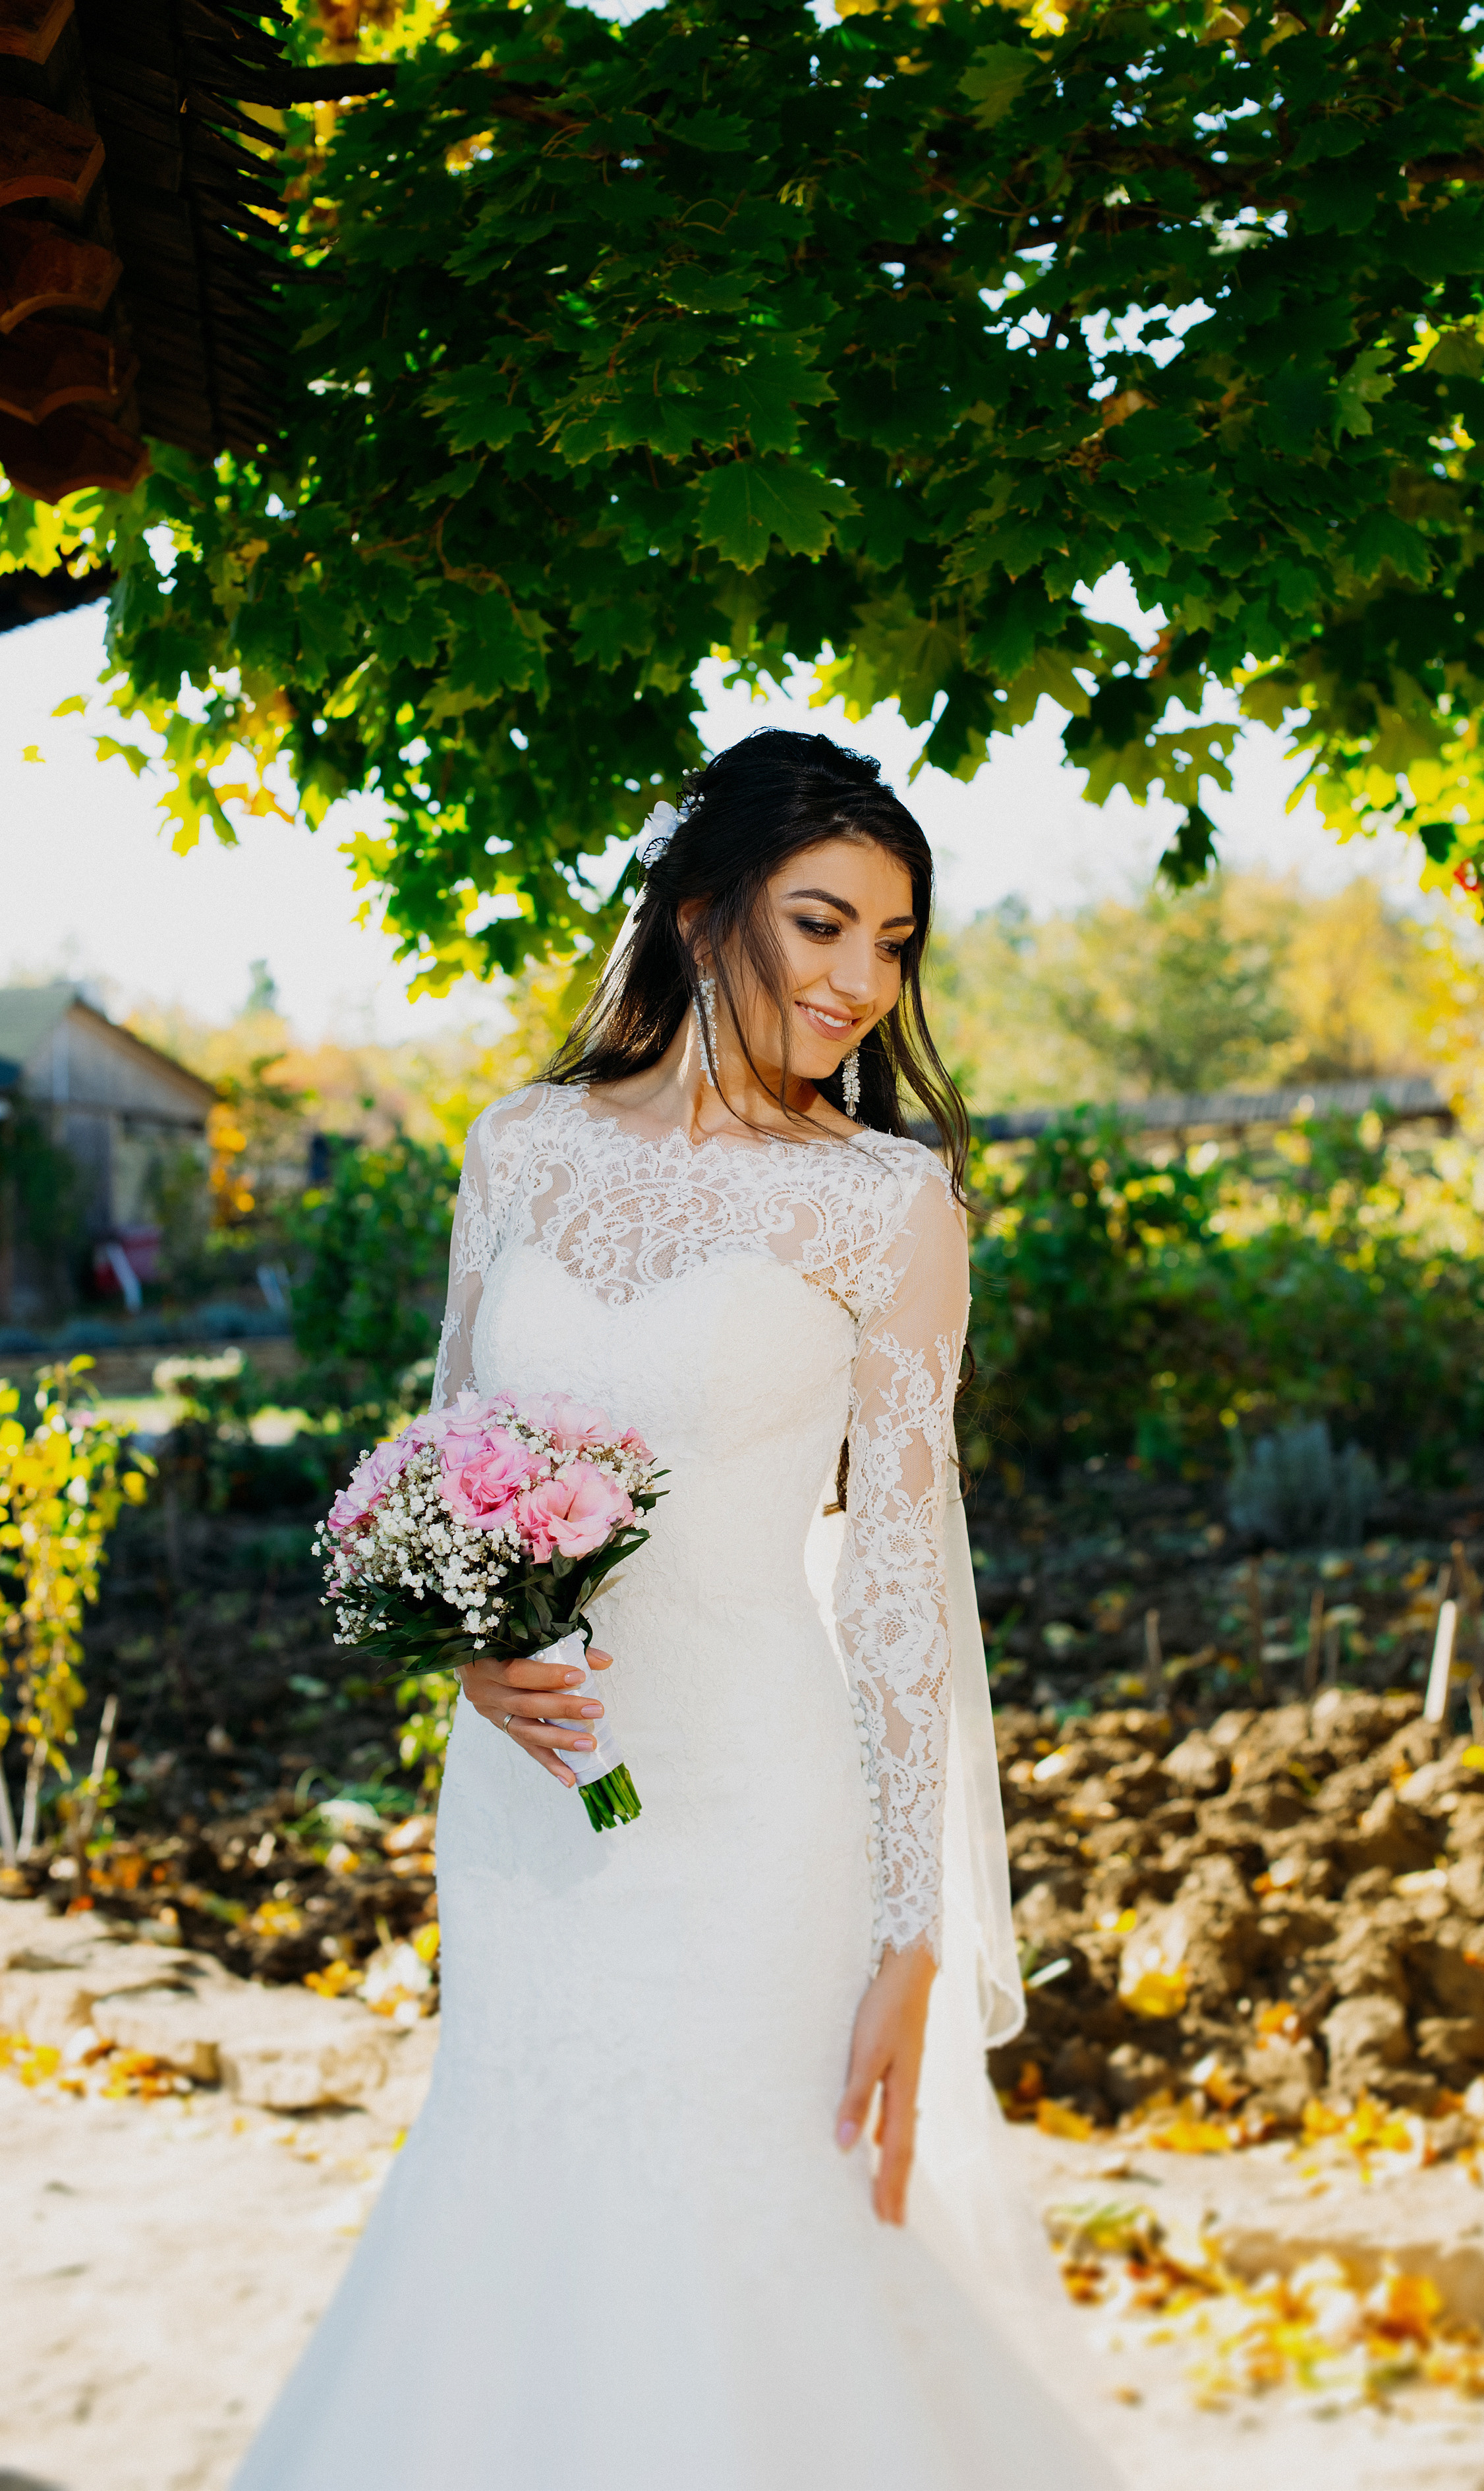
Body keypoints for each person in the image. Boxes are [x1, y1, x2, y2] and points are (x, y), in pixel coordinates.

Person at [233, 729, 1110, 2488]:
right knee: (519, 2198)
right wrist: (471, 1650)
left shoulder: (888, 1204)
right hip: (527, 1808)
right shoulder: (520, 1147)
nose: (863, 980)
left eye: (894, 942)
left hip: (754, 1813)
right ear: (702, 911)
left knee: (738, 2224)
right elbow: (446, 1454)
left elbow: (900, 1592)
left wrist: (909, 1936)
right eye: (821, 923)